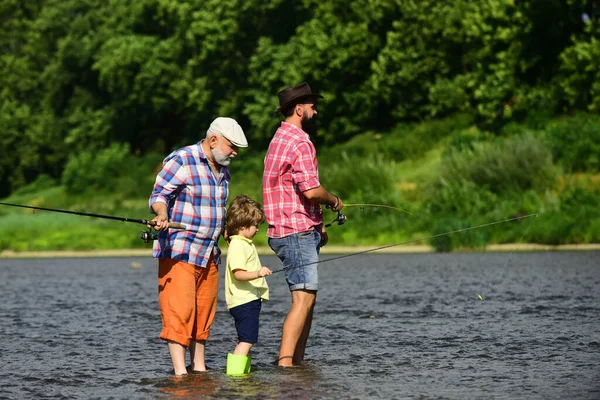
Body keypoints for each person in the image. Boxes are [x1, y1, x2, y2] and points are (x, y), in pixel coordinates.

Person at [148, 117, 248, 377]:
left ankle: (199, 369)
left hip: (209, 254)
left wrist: (224, 229)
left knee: (203, 314)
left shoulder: (223, 169)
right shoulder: (182, 159)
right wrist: (161, 214)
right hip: (180, 251)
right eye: (232, 146)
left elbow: (215, 208)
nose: (235, 152)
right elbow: (159, 195)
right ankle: (180, 374)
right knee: (179, 313)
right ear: (213, 140)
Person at [263, 82, 344, 367]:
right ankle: (286, 367)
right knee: (303, 300)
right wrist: (333, 200)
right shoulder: (299, 141)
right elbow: (311, 191)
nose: (315, 110)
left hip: (291, 230)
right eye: (311, 106)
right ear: (299, 109)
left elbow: (294, 192)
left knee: (307, 299)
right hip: (295, 231)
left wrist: (318, 225)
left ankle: (297, 365)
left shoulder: (278, 139)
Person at [223, 195, 272, 375]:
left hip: (248, 300)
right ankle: (235, 376)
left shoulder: (242, 242)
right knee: (247, 340)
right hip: (243, 301)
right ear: (243, 226)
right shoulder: (238, 245)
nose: (258, 229)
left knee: (246, 338)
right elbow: (238, 274)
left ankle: (243, 374)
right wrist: (258, 273)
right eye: (255, 226)